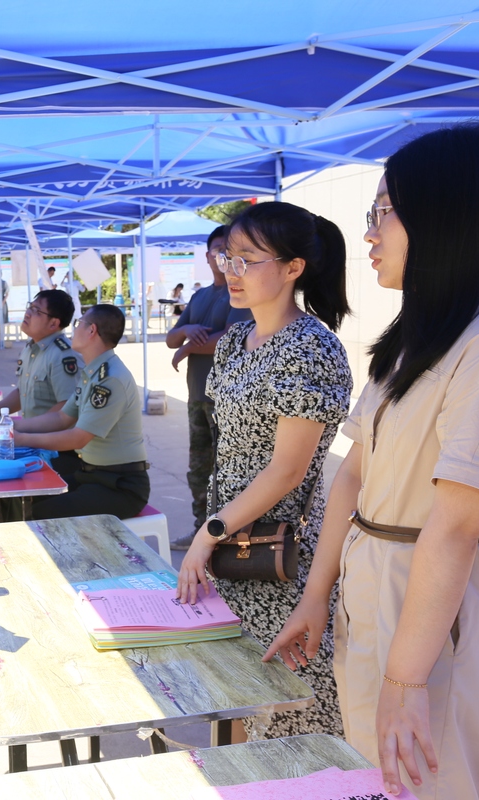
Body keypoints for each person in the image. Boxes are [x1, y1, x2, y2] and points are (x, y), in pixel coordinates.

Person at [265, 124, 479, 800]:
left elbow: (457, 527)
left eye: (383, 211)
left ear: (445, 211)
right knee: (377, 779)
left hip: (439, 616)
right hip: (376, 591)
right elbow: (355, 474)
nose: (369, 233)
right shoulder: (418, 339)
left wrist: (406, 678)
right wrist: (318, 595)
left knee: (438, 783)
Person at [174, 201, 353, 743]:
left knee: (290, 719)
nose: (231, 270)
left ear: (293, 267)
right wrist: (215, 532)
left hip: (280, 557)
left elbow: (287, 471)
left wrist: (208, 534)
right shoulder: (234, 340)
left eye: (247, 259)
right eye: (228, 257)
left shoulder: (312, 347)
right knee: (231, 701)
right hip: (231, 550)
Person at [14, 304, 149, 520]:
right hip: (92, 475)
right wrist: (14, 426)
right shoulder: (93, 372)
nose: (74, 330)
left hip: (120, 486)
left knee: (40, 514)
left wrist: (22, 439)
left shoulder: (110, 378)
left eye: (79, 324)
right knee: (25, 496)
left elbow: (79, 438)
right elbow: (61, 418)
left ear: (91, 330)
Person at [166, 225, 253, 550]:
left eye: (228, 252)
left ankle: (224, 536)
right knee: (199, 468)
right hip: (197, 396)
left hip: (226, 400)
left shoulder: (238, 292)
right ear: (207, 255)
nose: (222, 258)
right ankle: (199, 529)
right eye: (218, 251)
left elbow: (231, 339)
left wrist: (187, 347)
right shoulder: (201, 296)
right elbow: (171, 337)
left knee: (226, 470)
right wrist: (187, 331)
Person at [0, 289, 82, 478]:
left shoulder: (63, 355)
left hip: (55, 450)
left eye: (37, 310)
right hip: (28, 441)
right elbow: (23, 391)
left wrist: (23, 429)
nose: (28, 313)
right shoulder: (32, 347)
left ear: (54, 323)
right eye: (30, 307)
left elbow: (66, 409)